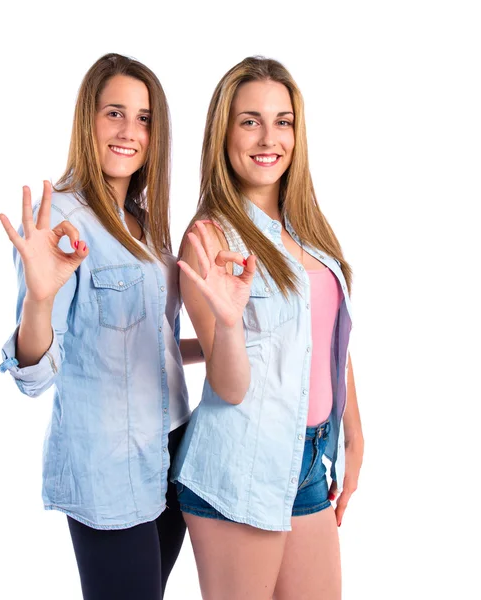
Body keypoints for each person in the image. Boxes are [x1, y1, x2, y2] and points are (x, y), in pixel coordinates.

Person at [0, 53, 201, 600]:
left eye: (145, 118)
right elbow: (35, 373)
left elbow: (147, 344)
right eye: (115, 113)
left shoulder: (146, 221)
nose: (130, 131)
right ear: (88, 119)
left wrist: (223, 341)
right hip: (108, 466)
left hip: (174, 449)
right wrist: (39, 298)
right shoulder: (59, 221)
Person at [171, 56, 364, 600]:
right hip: (241, 461)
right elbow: (230, 387)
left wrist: (354, 433)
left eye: (283, 121)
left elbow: (329, 341)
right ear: (224, 131)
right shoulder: (209, 240)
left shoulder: (309, 232)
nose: (268, 137)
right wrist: (228, 327)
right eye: (249, 120)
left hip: (311, 460)